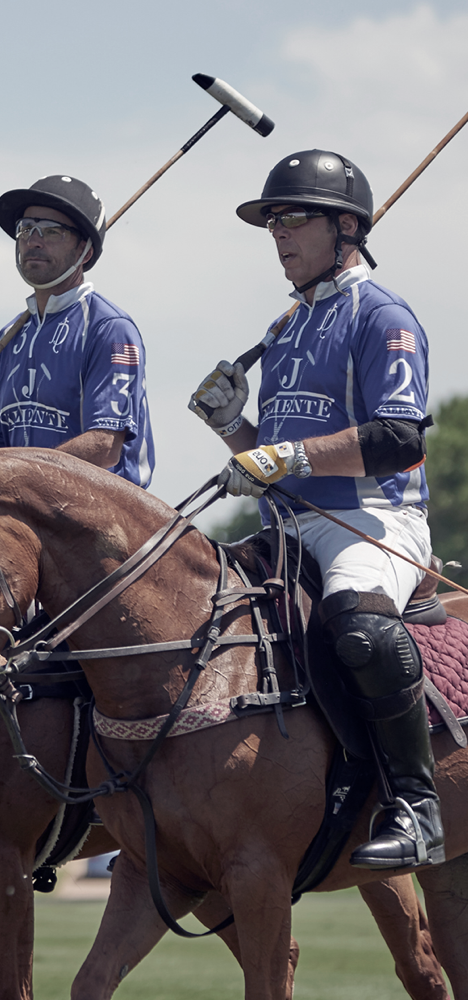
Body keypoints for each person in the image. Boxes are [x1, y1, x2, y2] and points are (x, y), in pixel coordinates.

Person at [190, 149, 441, 869]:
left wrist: (282, 458)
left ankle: (417, 807)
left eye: (295, 218)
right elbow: (271, 457)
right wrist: (233, 429)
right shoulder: (285, 329)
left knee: (358, 628)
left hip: (371, 521)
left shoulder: (383, 315)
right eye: (272, 222)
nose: (279, 235)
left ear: (346, 228)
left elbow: (398, 440)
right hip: (284, 528)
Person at [0, 174, 154, 487]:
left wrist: (15, 471)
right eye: (25, 229)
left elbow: (104, 447)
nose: (33, 241)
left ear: (84, 252)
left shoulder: (110, 329)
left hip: (104, 507)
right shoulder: (9, 337)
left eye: (52, 231)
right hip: (25, 505)